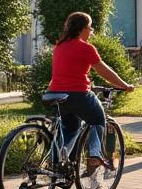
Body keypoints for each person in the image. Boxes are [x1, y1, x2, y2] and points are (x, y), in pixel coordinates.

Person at [47, 12, 136, 175]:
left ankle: (55, 162)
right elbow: (104, 72)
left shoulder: (59, 46)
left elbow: (60, 73)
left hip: (55, 93)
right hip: (77, 94)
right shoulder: (86, 48)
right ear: (83, 29)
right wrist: (124, 85)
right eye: (90, 27)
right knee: (98, 119)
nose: (91, 31)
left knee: (71, 128)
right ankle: (94, 155)